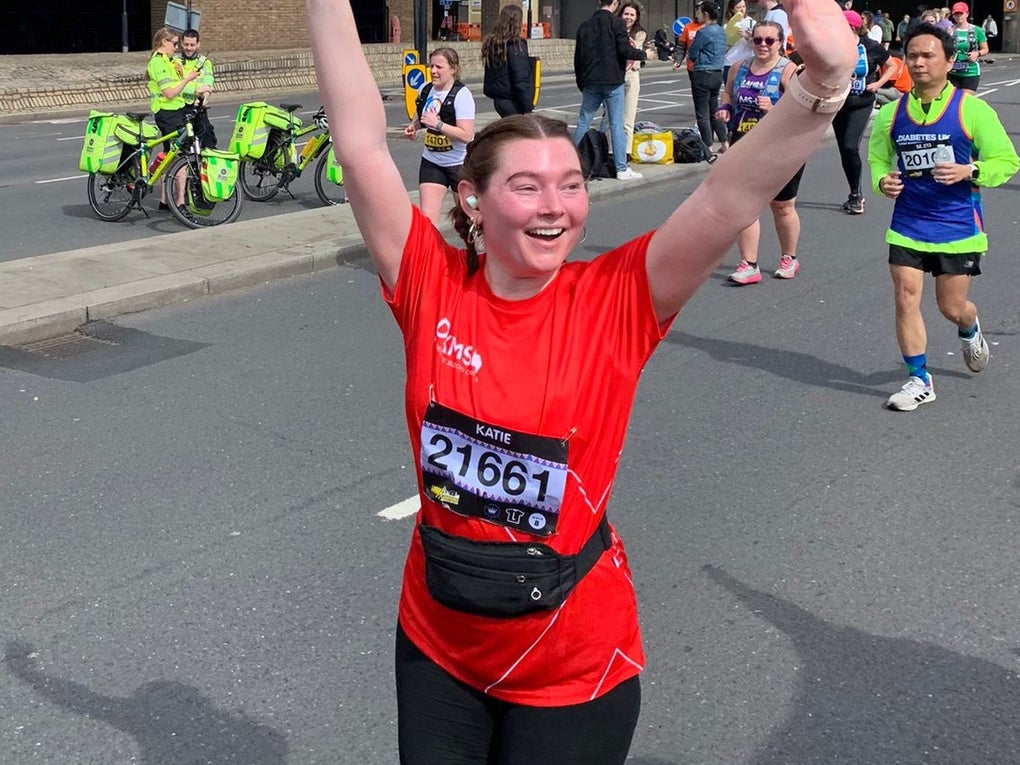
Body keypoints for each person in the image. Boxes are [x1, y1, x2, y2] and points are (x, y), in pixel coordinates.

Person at [307, 0, 855, 760]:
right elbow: (360, 139)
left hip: (571, 666)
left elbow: (726, 195)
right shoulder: (430, 281)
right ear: (472, 199)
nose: (556, 207)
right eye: (527, 186)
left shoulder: (619, 297)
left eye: (571, 184)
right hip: (439, 643)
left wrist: (822, 86)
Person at [868, 22, 1018, 411]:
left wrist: (971, 171)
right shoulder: (892, 113)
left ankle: (970, 328)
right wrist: (882, 181)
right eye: (912, 55)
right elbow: (879, 158)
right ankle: (919, 379)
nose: (918, 63)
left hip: (958, 225)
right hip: (908, 222)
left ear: (950, 61)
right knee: (905, 297)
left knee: (951, 307)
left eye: (928, 55)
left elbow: (1006, 160)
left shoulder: (972, 109)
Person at [717, 20, 803, 283]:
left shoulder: (789, 71)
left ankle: (789, 257)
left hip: (783, 148)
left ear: (780, 43)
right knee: (746, 206)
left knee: (782, 206)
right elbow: (728, 93)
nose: (763, 45)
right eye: (758, 40)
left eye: (769, 41)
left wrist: (775, 108)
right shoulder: (738, 68)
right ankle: (748, 264)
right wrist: (725, 108)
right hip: (746, 143)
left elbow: (803, 111)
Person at [574, 0, 647, 180]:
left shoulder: (585, 25)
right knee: (616, 124)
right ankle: (621, 168)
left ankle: (574, 164)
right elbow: (624, 49)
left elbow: (578, 57)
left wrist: (582, 83)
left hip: (591, 81)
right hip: (613, 80)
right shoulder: (617, 23)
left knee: (584, 121)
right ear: (615, 3)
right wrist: (644, 54)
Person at [404, 47, 476, 225]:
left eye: (439, 67)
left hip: (459, 164)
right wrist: (413, 126)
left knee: (467, 218)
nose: (433, 71)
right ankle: (431, 253)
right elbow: (421, 115)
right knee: (427, 219)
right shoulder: (426, 89)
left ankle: (475, 252)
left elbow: (467, 135)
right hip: (432, 161)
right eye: (431, 66)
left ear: (453, 69)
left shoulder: (462, 95)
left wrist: (438, 124)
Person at [833, 10, 893, 215]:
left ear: (852, 27)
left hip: (861, 102)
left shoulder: (870, 47)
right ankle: (853, 192)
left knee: (851, 146)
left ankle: (857, 197)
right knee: (844, 150)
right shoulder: (834, 46)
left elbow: (892, 66)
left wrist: (878, 83)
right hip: (838, 103)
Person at [147, 27, 200, 210]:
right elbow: (169, 93)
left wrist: (189, 81)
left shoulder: (168, 61)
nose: (177, 47)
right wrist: (187, 79)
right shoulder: (158, 63)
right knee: (182, 157)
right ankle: (180, 202)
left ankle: (164, 200)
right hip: (167, 113)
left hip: (176, 111)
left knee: (170, 156)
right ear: (164, 42)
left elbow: (178, 87)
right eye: (175, 43)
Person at [687, 1, 729, 154]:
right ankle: (724, 143)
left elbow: (692, 54)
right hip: (717, 73)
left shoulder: (703, 32)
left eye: (698, 12)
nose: (696, 15)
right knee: (714, 110)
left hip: (702, 73)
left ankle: (708, 146)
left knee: (702, 113)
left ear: (705, 14)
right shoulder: (720, 31)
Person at [482, 4, 534, 118]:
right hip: (513, 99)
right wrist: (527, 105)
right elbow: (520, 77)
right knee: (520, 134)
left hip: (499, 98)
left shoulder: (494, 43)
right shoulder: (516, 45)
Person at [176, 28, 217, 149]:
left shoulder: (205, 62)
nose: (189, 48)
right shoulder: (176, 62)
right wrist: (195, 90)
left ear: (198, 44)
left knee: (209, 141)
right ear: (182, 44)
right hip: (181, 108)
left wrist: (204, 96)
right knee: (183, 147)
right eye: (186, 44)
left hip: (198, 108)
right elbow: (176, 86)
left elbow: (208, 83)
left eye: (192, 45)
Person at [618, 2, 647, 160]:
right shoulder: (614, 28)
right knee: (610, 117)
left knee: (628, 117)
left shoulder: (639, 33)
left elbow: (632, 50)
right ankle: (609, 150)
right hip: (615, 75)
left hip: (631, 75)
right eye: (626, 14)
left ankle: (626, 152)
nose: (628, 17)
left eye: (632, 15)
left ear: (636, 18)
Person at [947, 2, 988, 92]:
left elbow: (985, 49)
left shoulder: (977, 30)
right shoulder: (949, 31)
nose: (958, 16)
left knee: (965, 100)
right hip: (952, 72)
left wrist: (977, 53)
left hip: (970, 72)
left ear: (967, 14)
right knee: (952, 101)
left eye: (961, 13)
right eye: (956, 14)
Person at [723, 0, 753, 84]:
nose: (742, 10)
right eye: (738, 7)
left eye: (744, 7)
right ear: (732, 9)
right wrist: (730, 41)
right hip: (730, 62)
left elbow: (756, 45)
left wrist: (747, 36)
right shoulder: (726, 26)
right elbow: (723, 48)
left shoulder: (752, 23)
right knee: (730, 91)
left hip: (746, 63)